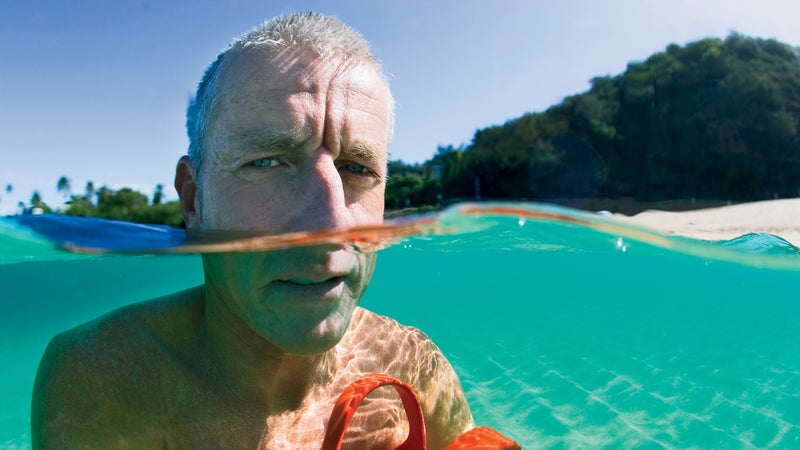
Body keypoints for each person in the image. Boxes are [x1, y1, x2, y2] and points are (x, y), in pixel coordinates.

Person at [31, 13, 473, 449]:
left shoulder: (415, 367)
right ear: (193, 200)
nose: (332, 223)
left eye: (357, 169)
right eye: (265, 161)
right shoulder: (105, 377)